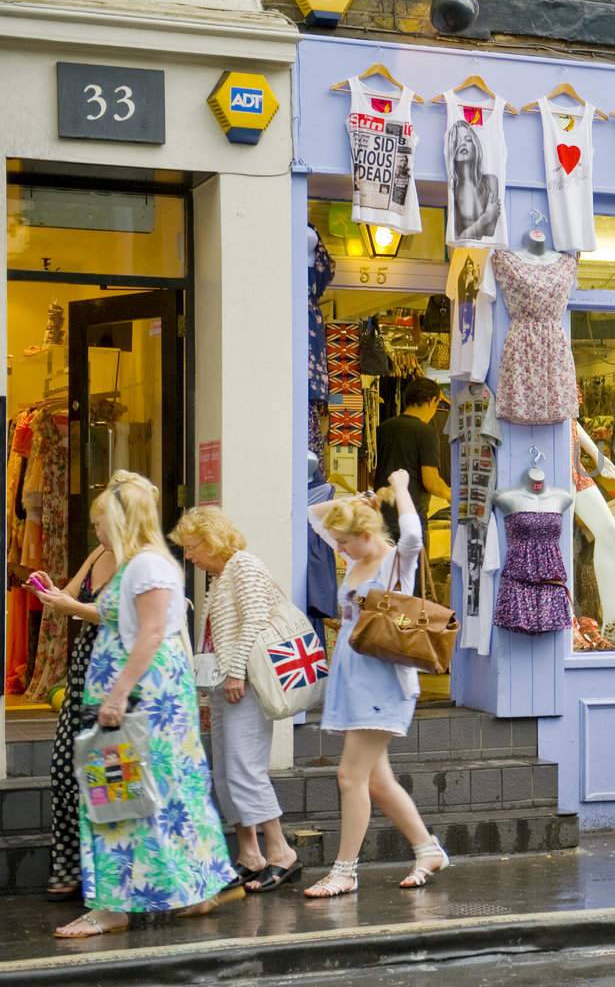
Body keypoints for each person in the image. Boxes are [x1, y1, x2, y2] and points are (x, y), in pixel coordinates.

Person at [32, 472, 238, 937]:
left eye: (101, 522)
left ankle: (112, 906)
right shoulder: (142, 564)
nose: (98, 531)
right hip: (151, 700)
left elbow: (149, 634)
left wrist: (118, 693)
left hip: (141, 702)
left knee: (117, 797)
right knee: (161, 797)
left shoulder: (145, 566)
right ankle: (197, 889)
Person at [304, 471, 449, 897]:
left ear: (366, 534)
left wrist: (401, 489)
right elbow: (312, 516)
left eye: (346, 540)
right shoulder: (355, 558)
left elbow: (412, 535)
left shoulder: (393, 562)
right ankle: (428, 849)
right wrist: (358, 500)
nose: (339, 548)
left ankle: (345, 870)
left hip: (382, 681)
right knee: (376, 781)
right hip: (355, 681)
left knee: (350, 776)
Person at [170, 507, 302, 894]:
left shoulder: (243, 566)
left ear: (213, 541)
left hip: (242, 684)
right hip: (224, 684)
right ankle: (249, 854)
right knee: (227, 773)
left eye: (194, 547)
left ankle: (281, 851)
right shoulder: (222, 574)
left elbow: (256, 622)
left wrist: (236, 672)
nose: (190, 556)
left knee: (245, 768)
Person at [38, 531, 118, 901]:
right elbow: (68, 597)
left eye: (102, 522)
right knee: (63, 768)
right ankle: (69, 866)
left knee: (104, 775)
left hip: (113, 673)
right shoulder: (99, 550)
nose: (98, 530)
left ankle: (103, 875)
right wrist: (52, 594)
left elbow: (123, 617)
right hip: (84, 667)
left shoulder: (139, 559)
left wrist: (73, 608)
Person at [374, 377, 451, 556]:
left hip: (382, 514)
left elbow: (376, 471)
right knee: (412, 579)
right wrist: (450, 495)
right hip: (410, 516)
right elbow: (430, 480)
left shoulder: (384, 428)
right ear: (432, 401)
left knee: (386, 577)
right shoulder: (427, 432)